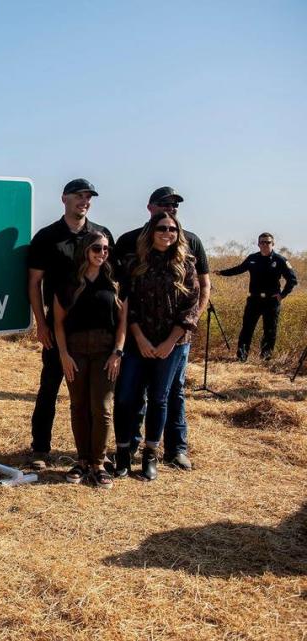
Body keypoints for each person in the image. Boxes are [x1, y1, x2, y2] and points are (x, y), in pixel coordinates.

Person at [112, 186, 209, 471]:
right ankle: (129, 446)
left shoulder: (191, 244)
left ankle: (174, 449)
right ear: (150, 208)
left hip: (175, 339)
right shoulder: (131, 244)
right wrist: (136, 335)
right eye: (164, 205)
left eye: (175, 206)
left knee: (169, 393)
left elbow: (202, 289)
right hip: (137, 338)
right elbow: (125, 294)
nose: (171, 210)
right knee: (131, 392)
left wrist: (181, 331)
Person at [26, 179, 113, 470]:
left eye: (88, 197)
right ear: (64, 198)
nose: (84, 201)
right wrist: (41, 324)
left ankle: (92, 456)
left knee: (93, 400)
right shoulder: (47, 237)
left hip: (98, 333)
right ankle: (40, 449)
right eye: (78, 195)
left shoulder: (100, 235)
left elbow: (114, 284)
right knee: (49, 387)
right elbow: (35, 282)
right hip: (59, 327)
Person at [53, 232, 126, 488]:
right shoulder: (68, 283)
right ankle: (82, 461)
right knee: (78, 406)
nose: (102, 253)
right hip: (75, 352)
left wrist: (118, 352)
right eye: (97, 248)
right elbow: (58, 324)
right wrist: (63, 354)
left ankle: (98, 462)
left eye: (106, 249)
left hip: (106, 352)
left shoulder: (114, 281)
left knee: (102, 408)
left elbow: (123, 324)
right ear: (85, 249)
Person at [216, 233, 298, 361]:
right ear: (258, 244)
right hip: (254, 300)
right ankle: (241, 358)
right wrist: (221, 273)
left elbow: (292, 280)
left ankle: (265, 359)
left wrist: (282, 295)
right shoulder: (253, 258)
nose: (265, 245)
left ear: (273, 244)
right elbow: (238, 269)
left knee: (269, 331)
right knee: (247, 329)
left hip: (271, 301)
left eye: (268, 242)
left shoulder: (280, 260)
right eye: (262, 242)